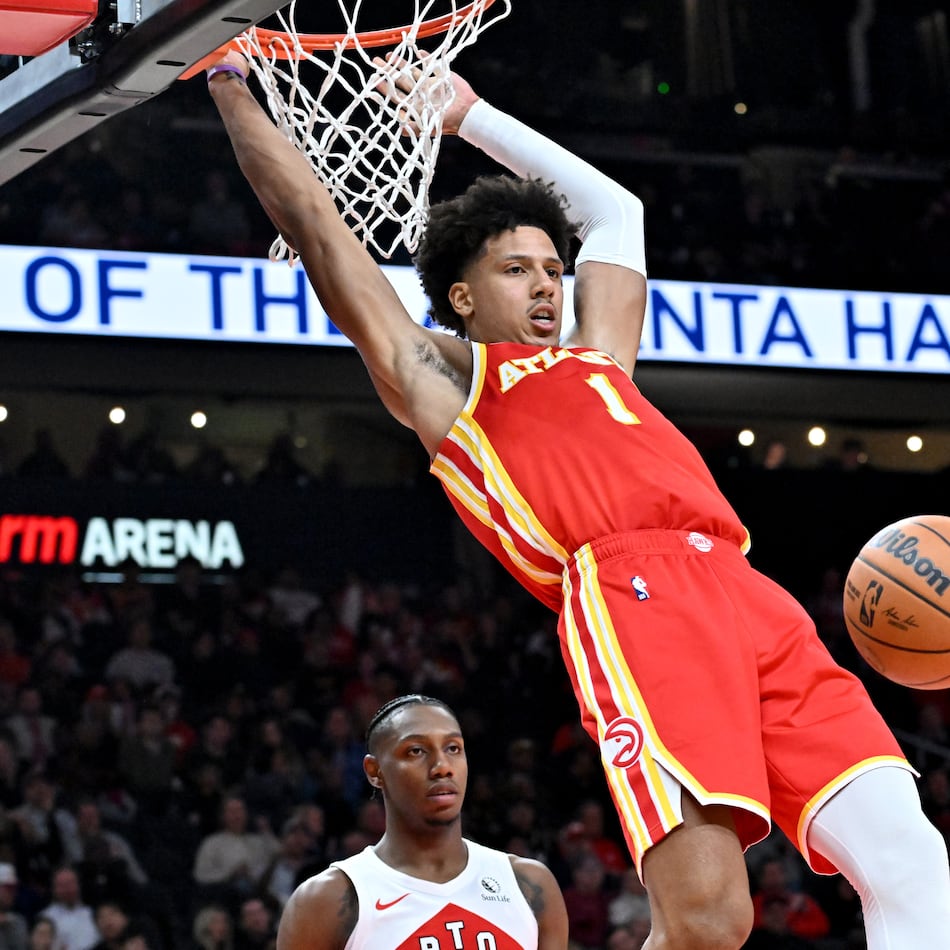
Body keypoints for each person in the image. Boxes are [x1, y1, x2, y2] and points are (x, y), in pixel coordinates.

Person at [205, 51, 950, 948]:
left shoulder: (603, 360)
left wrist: (471, 114)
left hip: (747, 591)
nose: (548, 283)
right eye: (517, 270)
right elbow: (319, 230)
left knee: (913, 861)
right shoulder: (445, 388)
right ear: (461, 298)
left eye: (552, 268)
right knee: (711, 921)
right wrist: (226, 85)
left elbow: (618, 213)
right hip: (636, 595)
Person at [275, 694, 567, 949]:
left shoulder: (529, 885)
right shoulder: (326, 900)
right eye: (416, 751)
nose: (442, 768)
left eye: (453, 748)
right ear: (374, 771)